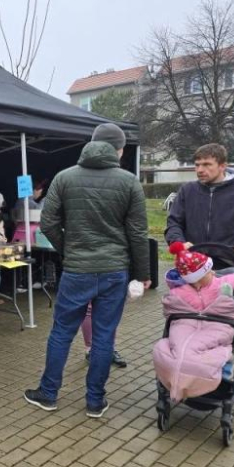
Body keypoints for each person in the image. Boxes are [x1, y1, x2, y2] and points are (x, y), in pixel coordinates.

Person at [24, 123, 151, 418]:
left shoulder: (65, 178)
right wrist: (143, 274)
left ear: (91, 144)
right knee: (105, 336)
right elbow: (137, 233)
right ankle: (95, 401)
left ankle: (48, 393)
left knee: (61, 333)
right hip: (114, 270)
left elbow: (48, 224)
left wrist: (68, 250)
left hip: (77, 270)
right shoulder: (130, 182)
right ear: (119, 150)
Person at [154, 242, 234, 401]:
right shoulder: (214, 285)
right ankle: (213, 378)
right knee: (182, 348)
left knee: (209, 349)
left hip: (215, 327)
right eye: (208, 271)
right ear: (196, 279)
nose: (213, 273)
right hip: (188, 325)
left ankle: (186, 378)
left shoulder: (183, 289)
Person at [165, 143, 234, 256]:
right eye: (197, 165)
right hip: (193, 264)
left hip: (231, 263)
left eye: (207, 164)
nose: (200, 170)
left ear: (222, 166)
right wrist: (178, 242)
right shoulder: (187, 191)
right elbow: (174, 223)